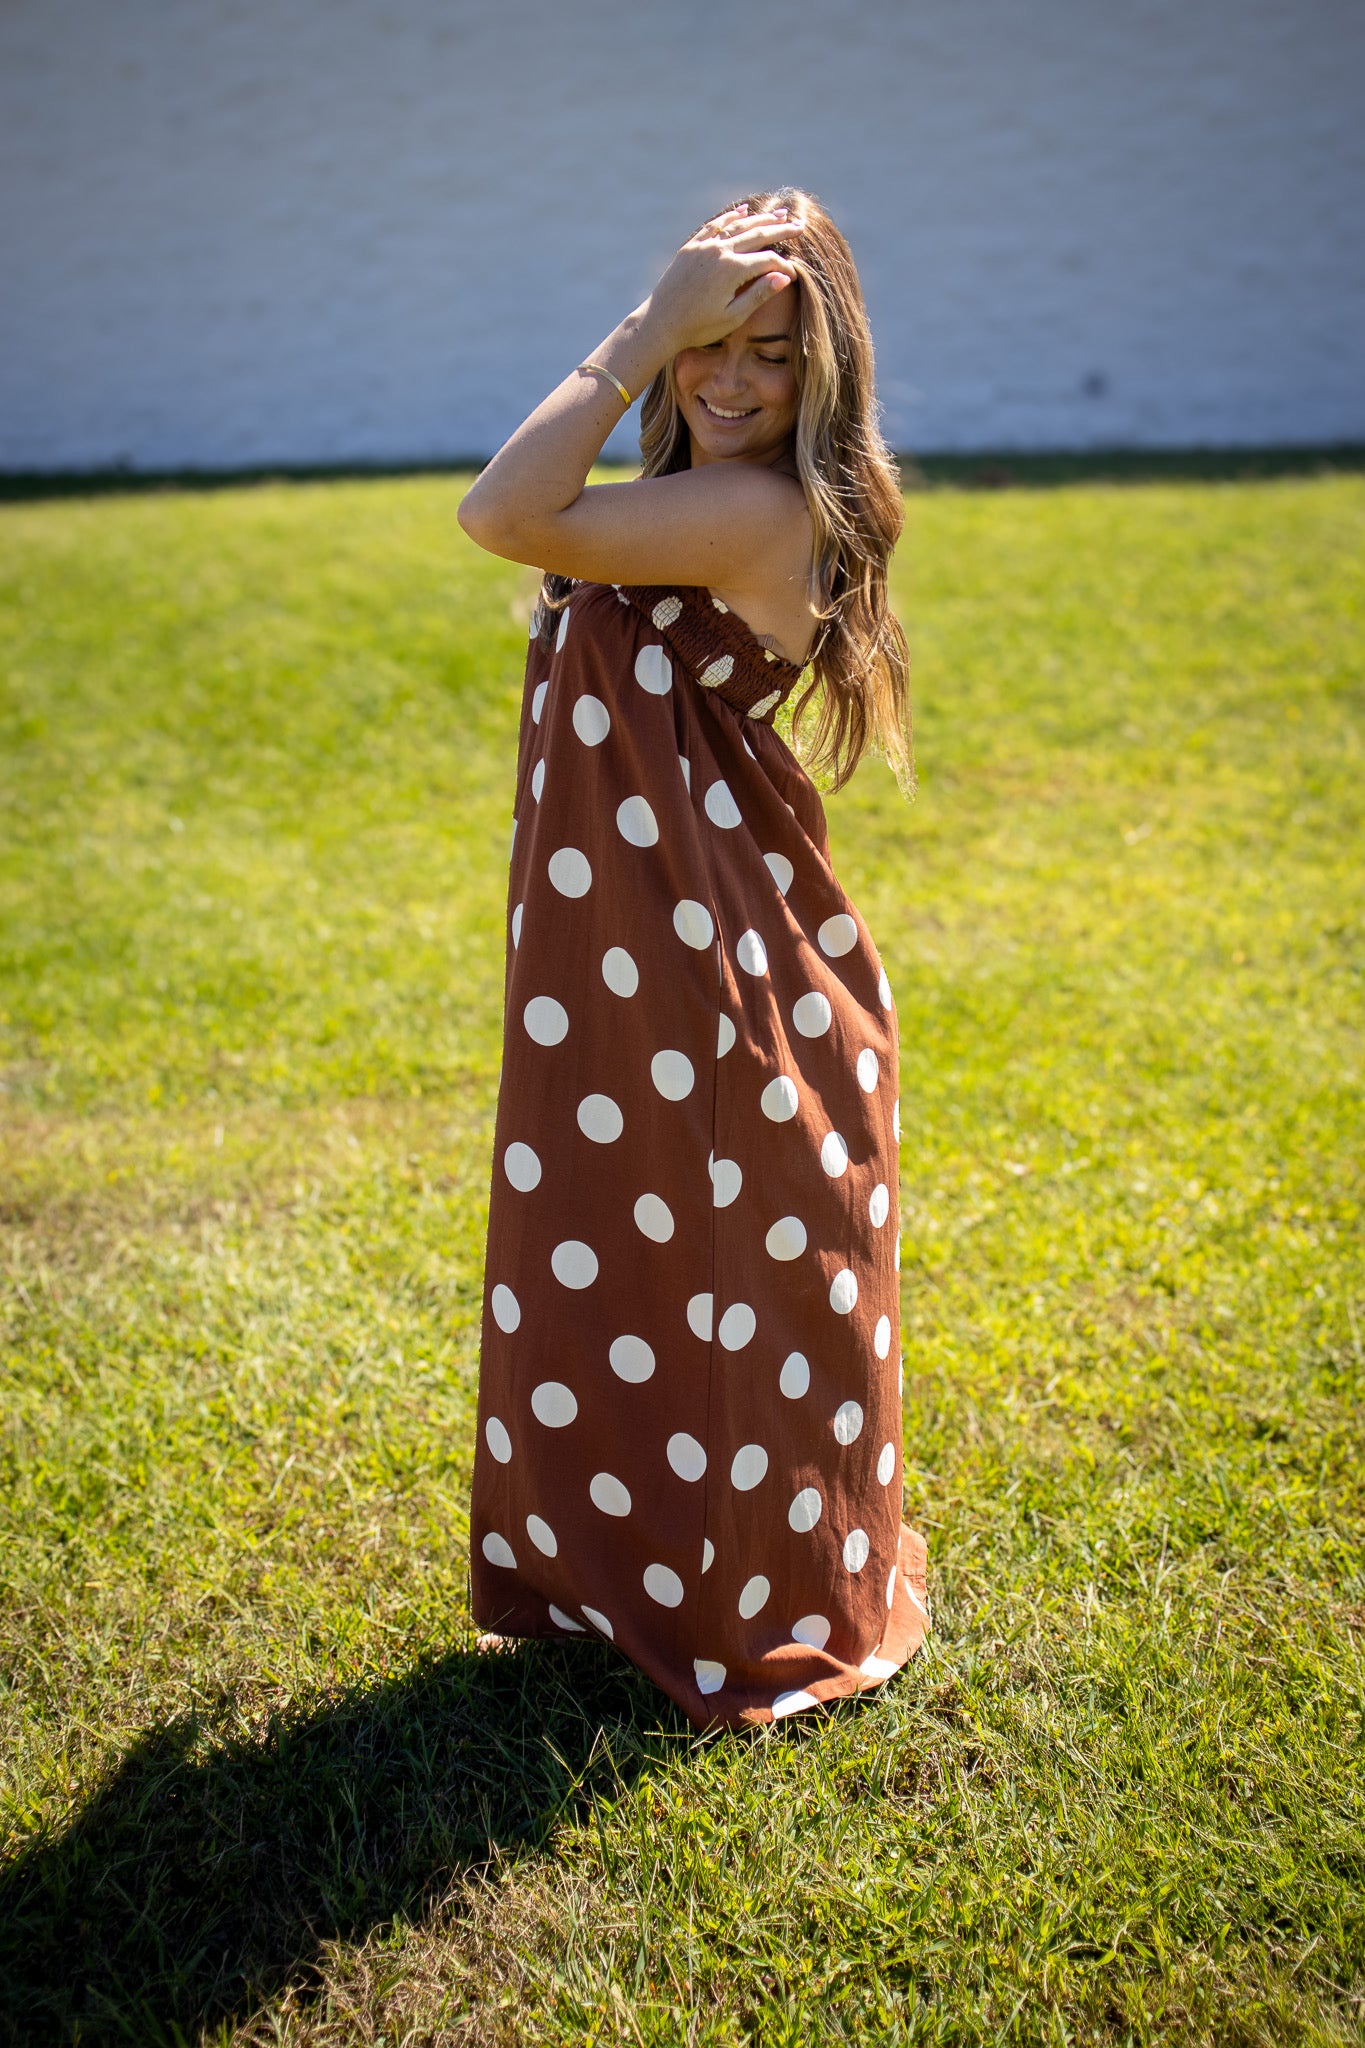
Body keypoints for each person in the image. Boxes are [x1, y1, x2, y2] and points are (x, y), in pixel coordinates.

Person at [456, 187, 928, 1728]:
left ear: (823, 375)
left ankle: (733, 1595)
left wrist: (643, 324)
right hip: (638, 949)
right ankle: (620, 1575)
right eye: (708, 345)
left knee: (713, 1290)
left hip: (709, 973)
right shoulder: (692, 496)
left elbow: (502, 512)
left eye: (770, 355)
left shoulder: (757, 513)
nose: (728, 379)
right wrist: (660, 332)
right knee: (624, 1265)